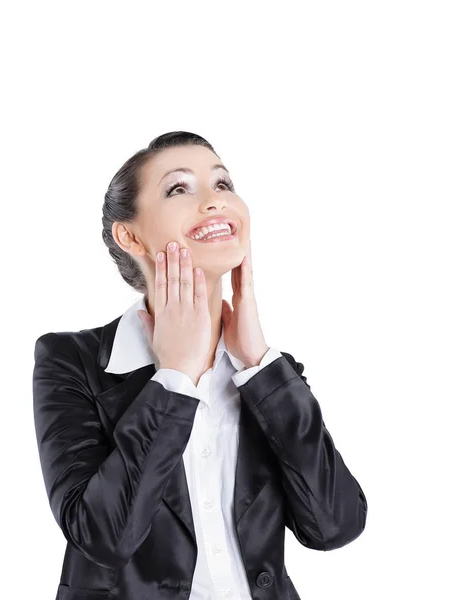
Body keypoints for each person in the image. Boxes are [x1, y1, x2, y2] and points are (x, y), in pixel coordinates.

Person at [32, 131, 368, 600]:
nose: (214, 202)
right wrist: (175, 378)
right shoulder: (74, 361)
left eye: (223, 184)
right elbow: (102, 537)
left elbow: (335, 527)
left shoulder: (269, 375)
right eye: (179, 188)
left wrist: (259, 364)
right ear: (129, 235)